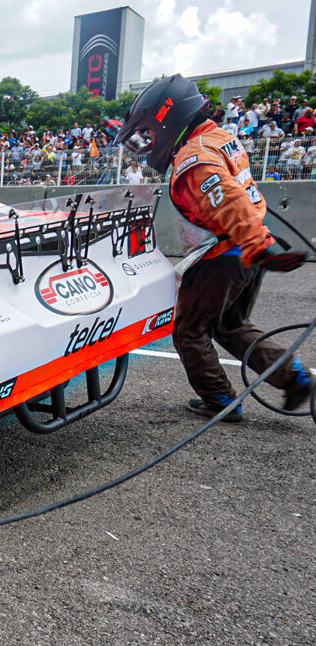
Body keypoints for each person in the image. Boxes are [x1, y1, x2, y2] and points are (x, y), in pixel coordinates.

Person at [115, 75, 311, 422]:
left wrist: (257, 244)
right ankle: (296, 378)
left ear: (167, 119)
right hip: (245, 251)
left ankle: (221, 401)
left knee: (190, 333)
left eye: (148, 132)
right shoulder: (218, 138)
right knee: (231, 326)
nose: (147, 144)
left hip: (222, 255)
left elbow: (229, 201)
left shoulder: (196, 158)